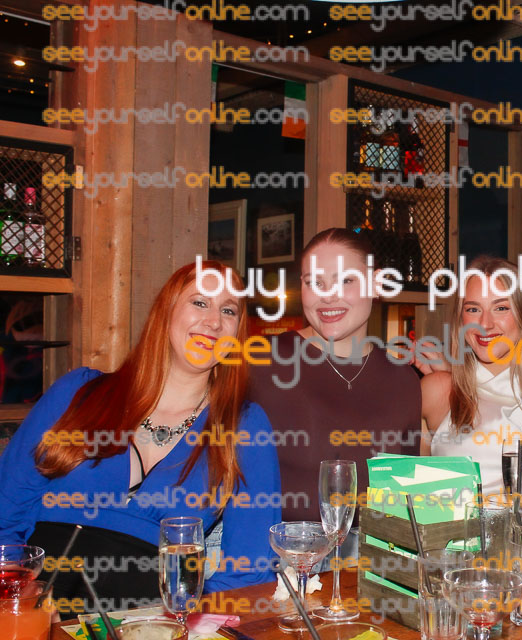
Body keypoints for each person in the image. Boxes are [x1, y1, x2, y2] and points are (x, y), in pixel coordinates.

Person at [0, 261, 280, 610]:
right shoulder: (78, 392)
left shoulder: (244, 426)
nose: (213, 321)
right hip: (40, 611)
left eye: (228, 310)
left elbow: (250, 569)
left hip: (148, 621)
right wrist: (17, 599)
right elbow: (5, 512)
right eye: (199, 302)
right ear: (166, 311)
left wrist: (190, 622)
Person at [249, 228, 421, 523]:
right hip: (279, 550)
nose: (328, 296)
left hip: (370, 551)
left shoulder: (404, 381)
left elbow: (405, 502)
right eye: (314, 282)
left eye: (345, 280)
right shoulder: (261, 361)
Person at [419, 256, 522, 496]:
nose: (484, 324)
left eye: (501, 308)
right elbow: (407, 493)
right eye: (473, 309)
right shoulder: (438, 390)